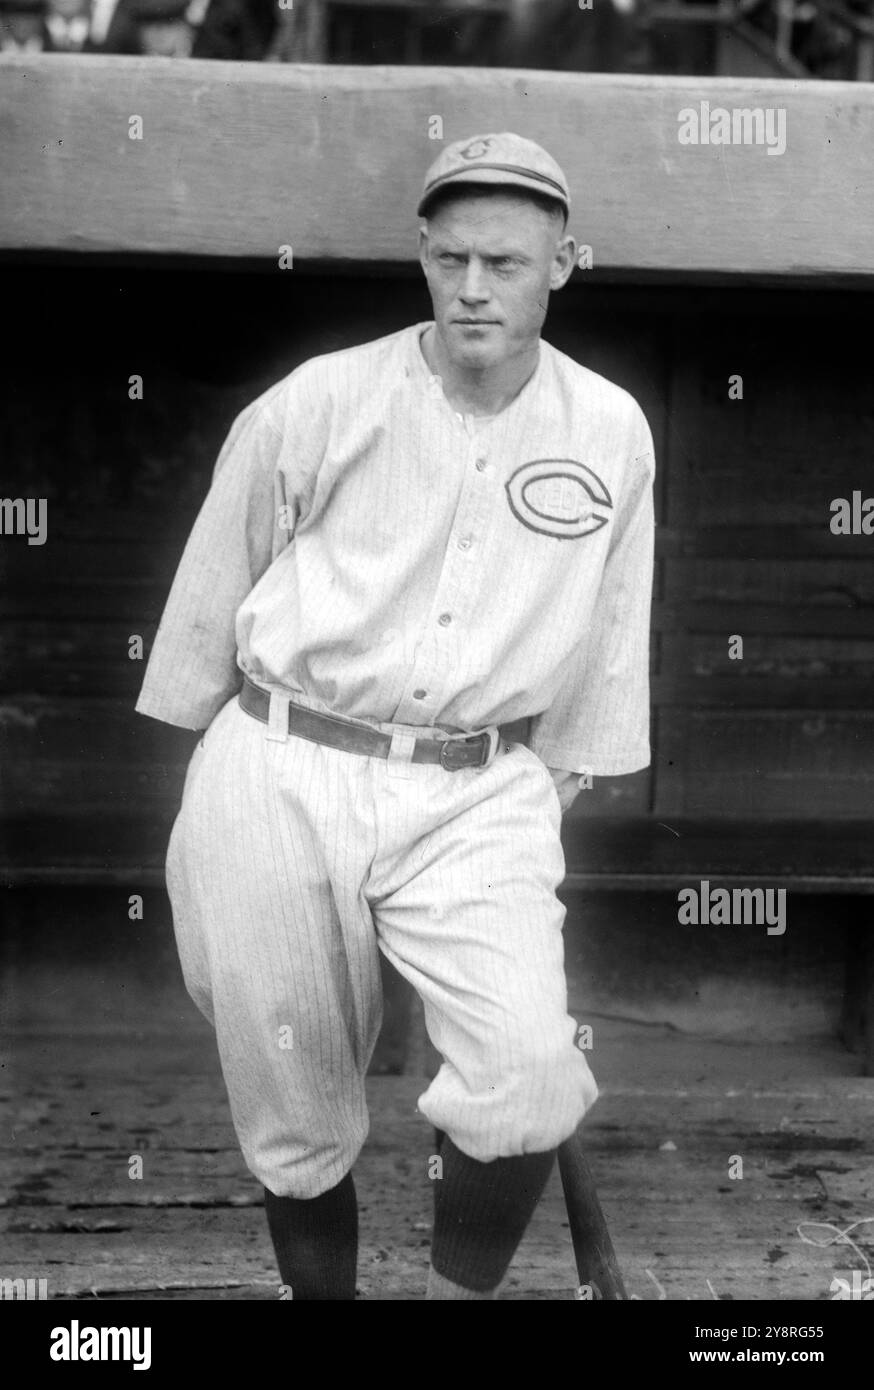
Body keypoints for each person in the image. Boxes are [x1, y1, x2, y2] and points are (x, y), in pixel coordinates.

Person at [136, 133, 655, 1300]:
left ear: (563, 265)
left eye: (506, 264)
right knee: (292, 1087)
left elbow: (613, 623)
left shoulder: (609, 426)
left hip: (478, 782)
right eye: (450, 258)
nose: (473, 287)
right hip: (285, 754)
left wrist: (549, 785)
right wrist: (219, 784)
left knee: (523, 1067)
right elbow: (213, 594)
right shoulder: (320, 399)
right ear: (422, 258)